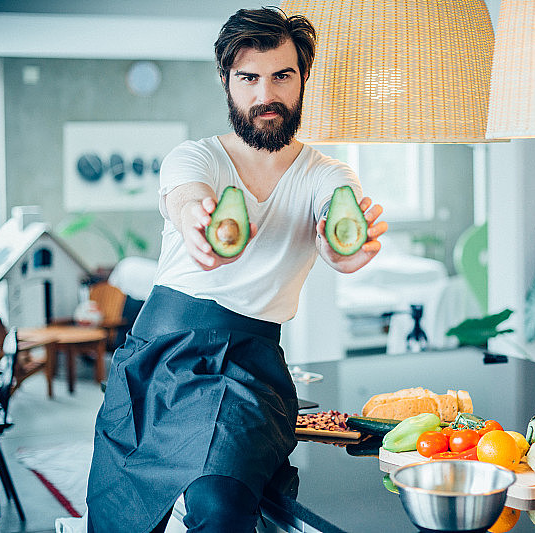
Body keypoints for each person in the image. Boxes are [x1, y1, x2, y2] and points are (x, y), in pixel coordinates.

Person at [85, 7, 387, 533]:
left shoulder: (327, 174)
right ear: (226, 81)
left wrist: (344, 251)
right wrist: (198, 224)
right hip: (157, 356)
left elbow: (337, 217)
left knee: (220, 507)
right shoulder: (194, 157)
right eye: (249, 78)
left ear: (303, 78)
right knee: (118, 518)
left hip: (248, 367)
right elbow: (186, 199)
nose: (265, 94)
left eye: (282, 76)